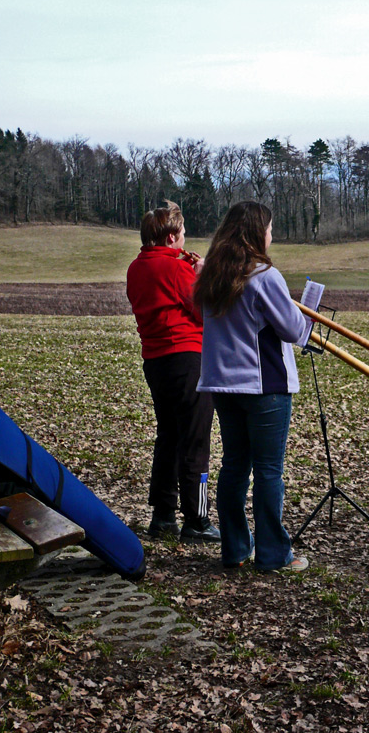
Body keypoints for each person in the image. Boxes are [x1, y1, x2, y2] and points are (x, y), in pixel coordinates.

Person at [194, 201, 310, 572]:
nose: (272, 235)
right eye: (270, 229)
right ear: (258, 232)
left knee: (234, 467)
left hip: (224, 386)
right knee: (268, 470)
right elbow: (293, 330)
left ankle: (235, 550)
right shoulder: (263, 275)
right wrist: (303, 312)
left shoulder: (212, 274)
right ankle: (274, 555)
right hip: (264, 387)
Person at [126, 200, 220, 543]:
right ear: (170, 237)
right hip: (187, 359)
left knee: (168, 436)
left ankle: (163, 514)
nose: (184, 240)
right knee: (195, 438)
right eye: (181, 234)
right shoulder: (177, 268)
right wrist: (201, 275)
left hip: (155, 360)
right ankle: (197, 519)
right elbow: (202, 313)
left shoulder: (136, 267)